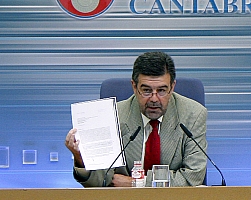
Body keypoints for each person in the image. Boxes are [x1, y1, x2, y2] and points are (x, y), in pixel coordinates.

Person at [65, 51, 207, 187]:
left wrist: (136, 183)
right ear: (134, 86)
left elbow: (192, 177)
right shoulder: (113, 116)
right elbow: (99, 181)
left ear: (172, 87)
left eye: (162, 91)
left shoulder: (193, 115)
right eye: (146, 90)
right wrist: (81, 159)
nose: (154, 99)